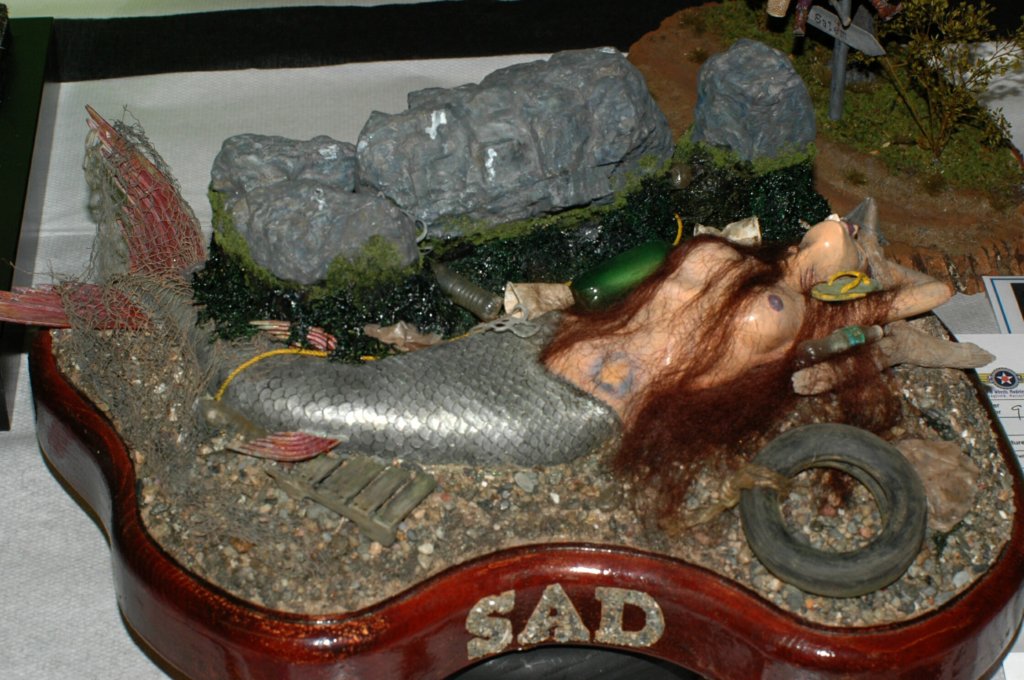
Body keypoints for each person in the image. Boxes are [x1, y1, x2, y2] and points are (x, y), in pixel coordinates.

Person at [541, 212, 989, 524]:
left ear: (846, 282)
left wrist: (880, 266)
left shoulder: (816, 316)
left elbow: (938, 292)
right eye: (847, 227)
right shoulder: (747, 259)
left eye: (853, 239)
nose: (845, 225)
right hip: (580, 348)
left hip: (623, 399)